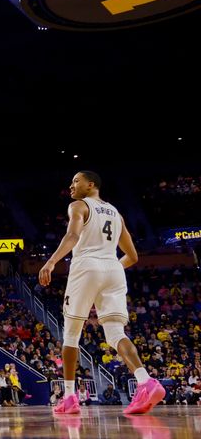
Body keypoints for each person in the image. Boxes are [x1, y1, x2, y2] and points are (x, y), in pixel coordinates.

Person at [39, 171, 165, 415]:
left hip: (86, 266)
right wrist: (112, 267)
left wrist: (51, 262)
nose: (71, 185)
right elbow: (134, 256)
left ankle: (70, 397)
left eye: (76, 181)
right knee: (116, 333)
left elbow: (73, 235)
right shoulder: (116, 214)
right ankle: (146, 381)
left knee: (71, 334)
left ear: (91, 184)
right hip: (114, 268)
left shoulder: (79, 205)